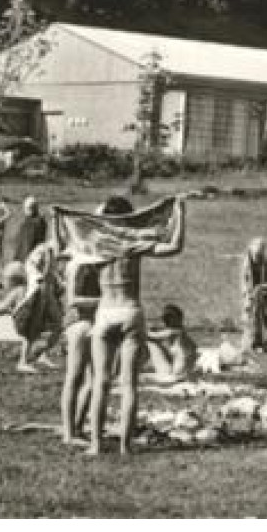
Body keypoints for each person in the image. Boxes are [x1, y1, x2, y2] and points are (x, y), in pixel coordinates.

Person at [69, 195, 187, 456]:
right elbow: (175, 246)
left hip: (105, 313)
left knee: (100, 382)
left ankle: (96, 445)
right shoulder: (133, 245)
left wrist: (58, 220)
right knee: (129, 385)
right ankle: (125, 446)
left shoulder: (96, 246)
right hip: (131, 311)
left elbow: (64, 247)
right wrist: (180, 213)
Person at [60, 258, 102, 445]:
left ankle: (77, 427)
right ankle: (68, 434)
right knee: (74, 377)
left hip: (95, 323)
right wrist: (107, 300)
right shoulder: (78, 265)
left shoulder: (98, 263)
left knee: (94, 381)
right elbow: (72, 300)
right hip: (79, 323)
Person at [0, 262, 45, 373]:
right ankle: (27, 359)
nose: (4, 283)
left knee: (26, 333)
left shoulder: (17, 291)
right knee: (28, 335)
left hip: (24, 322)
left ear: (13, 281)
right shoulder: (26, 288)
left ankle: (23, 362)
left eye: (5, 280)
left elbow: (3, 307)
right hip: (30, 321)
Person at [239, 237, 267, 354]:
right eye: (255, 254)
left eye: (259, 255)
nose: (256, 257)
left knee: (266, 315)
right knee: (249, 314)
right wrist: (248, 295)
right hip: (250, 293)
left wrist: (262, 288)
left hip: (265, 293)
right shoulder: (246, 263)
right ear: (251, 251)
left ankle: (264, 341)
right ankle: (251, 341)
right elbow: (243, 282)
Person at [147, 304, 198, 382]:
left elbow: (150, 336)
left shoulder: (175, 332)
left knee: (150, 343)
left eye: (167, 318)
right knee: (155, 344)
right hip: (182, 374)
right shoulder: (182, 334)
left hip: (175, 376)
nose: (166, 321)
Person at [13, 197, 48, 265]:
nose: (24, 211)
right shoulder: (38, 221)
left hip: (29, 258)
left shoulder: (33, 223)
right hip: (33, 257)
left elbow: (27, 244)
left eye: (25, 208)